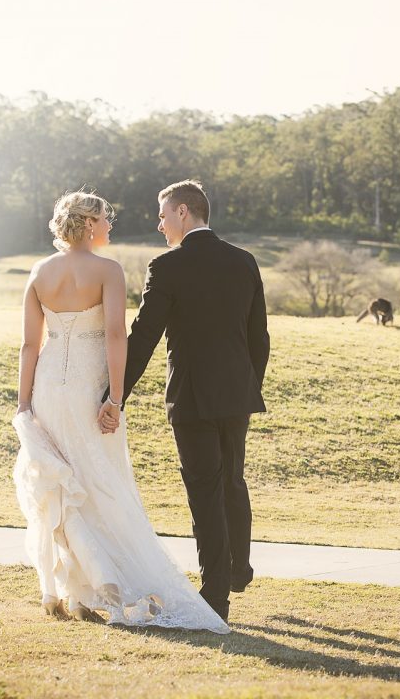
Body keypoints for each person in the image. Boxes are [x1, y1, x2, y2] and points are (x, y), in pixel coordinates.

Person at [12, 190, 229, 634]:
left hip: (49, 386)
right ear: (89, 224)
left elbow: (29, 345)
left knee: (65, 483)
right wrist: (114, 398)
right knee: (100, 483)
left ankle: (75, 591)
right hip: (91, 385)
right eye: (106, 219)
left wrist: (23, 403)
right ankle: (102, 586)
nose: (110, 226)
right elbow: (116, 335)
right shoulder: (107, 271)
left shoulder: (40, 272)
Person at [99, 180, 270, 624]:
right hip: (237, 394)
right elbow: (259, 338)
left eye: (162, 215)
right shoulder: (244, 261)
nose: (159, 225)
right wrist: (249, 387)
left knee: (204, 489)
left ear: (182, 213)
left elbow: (143, 338)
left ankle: (215, 595)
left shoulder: (167, 267)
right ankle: (238, 568)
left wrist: (115, 394)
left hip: (192, 398)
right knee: (233, 480)